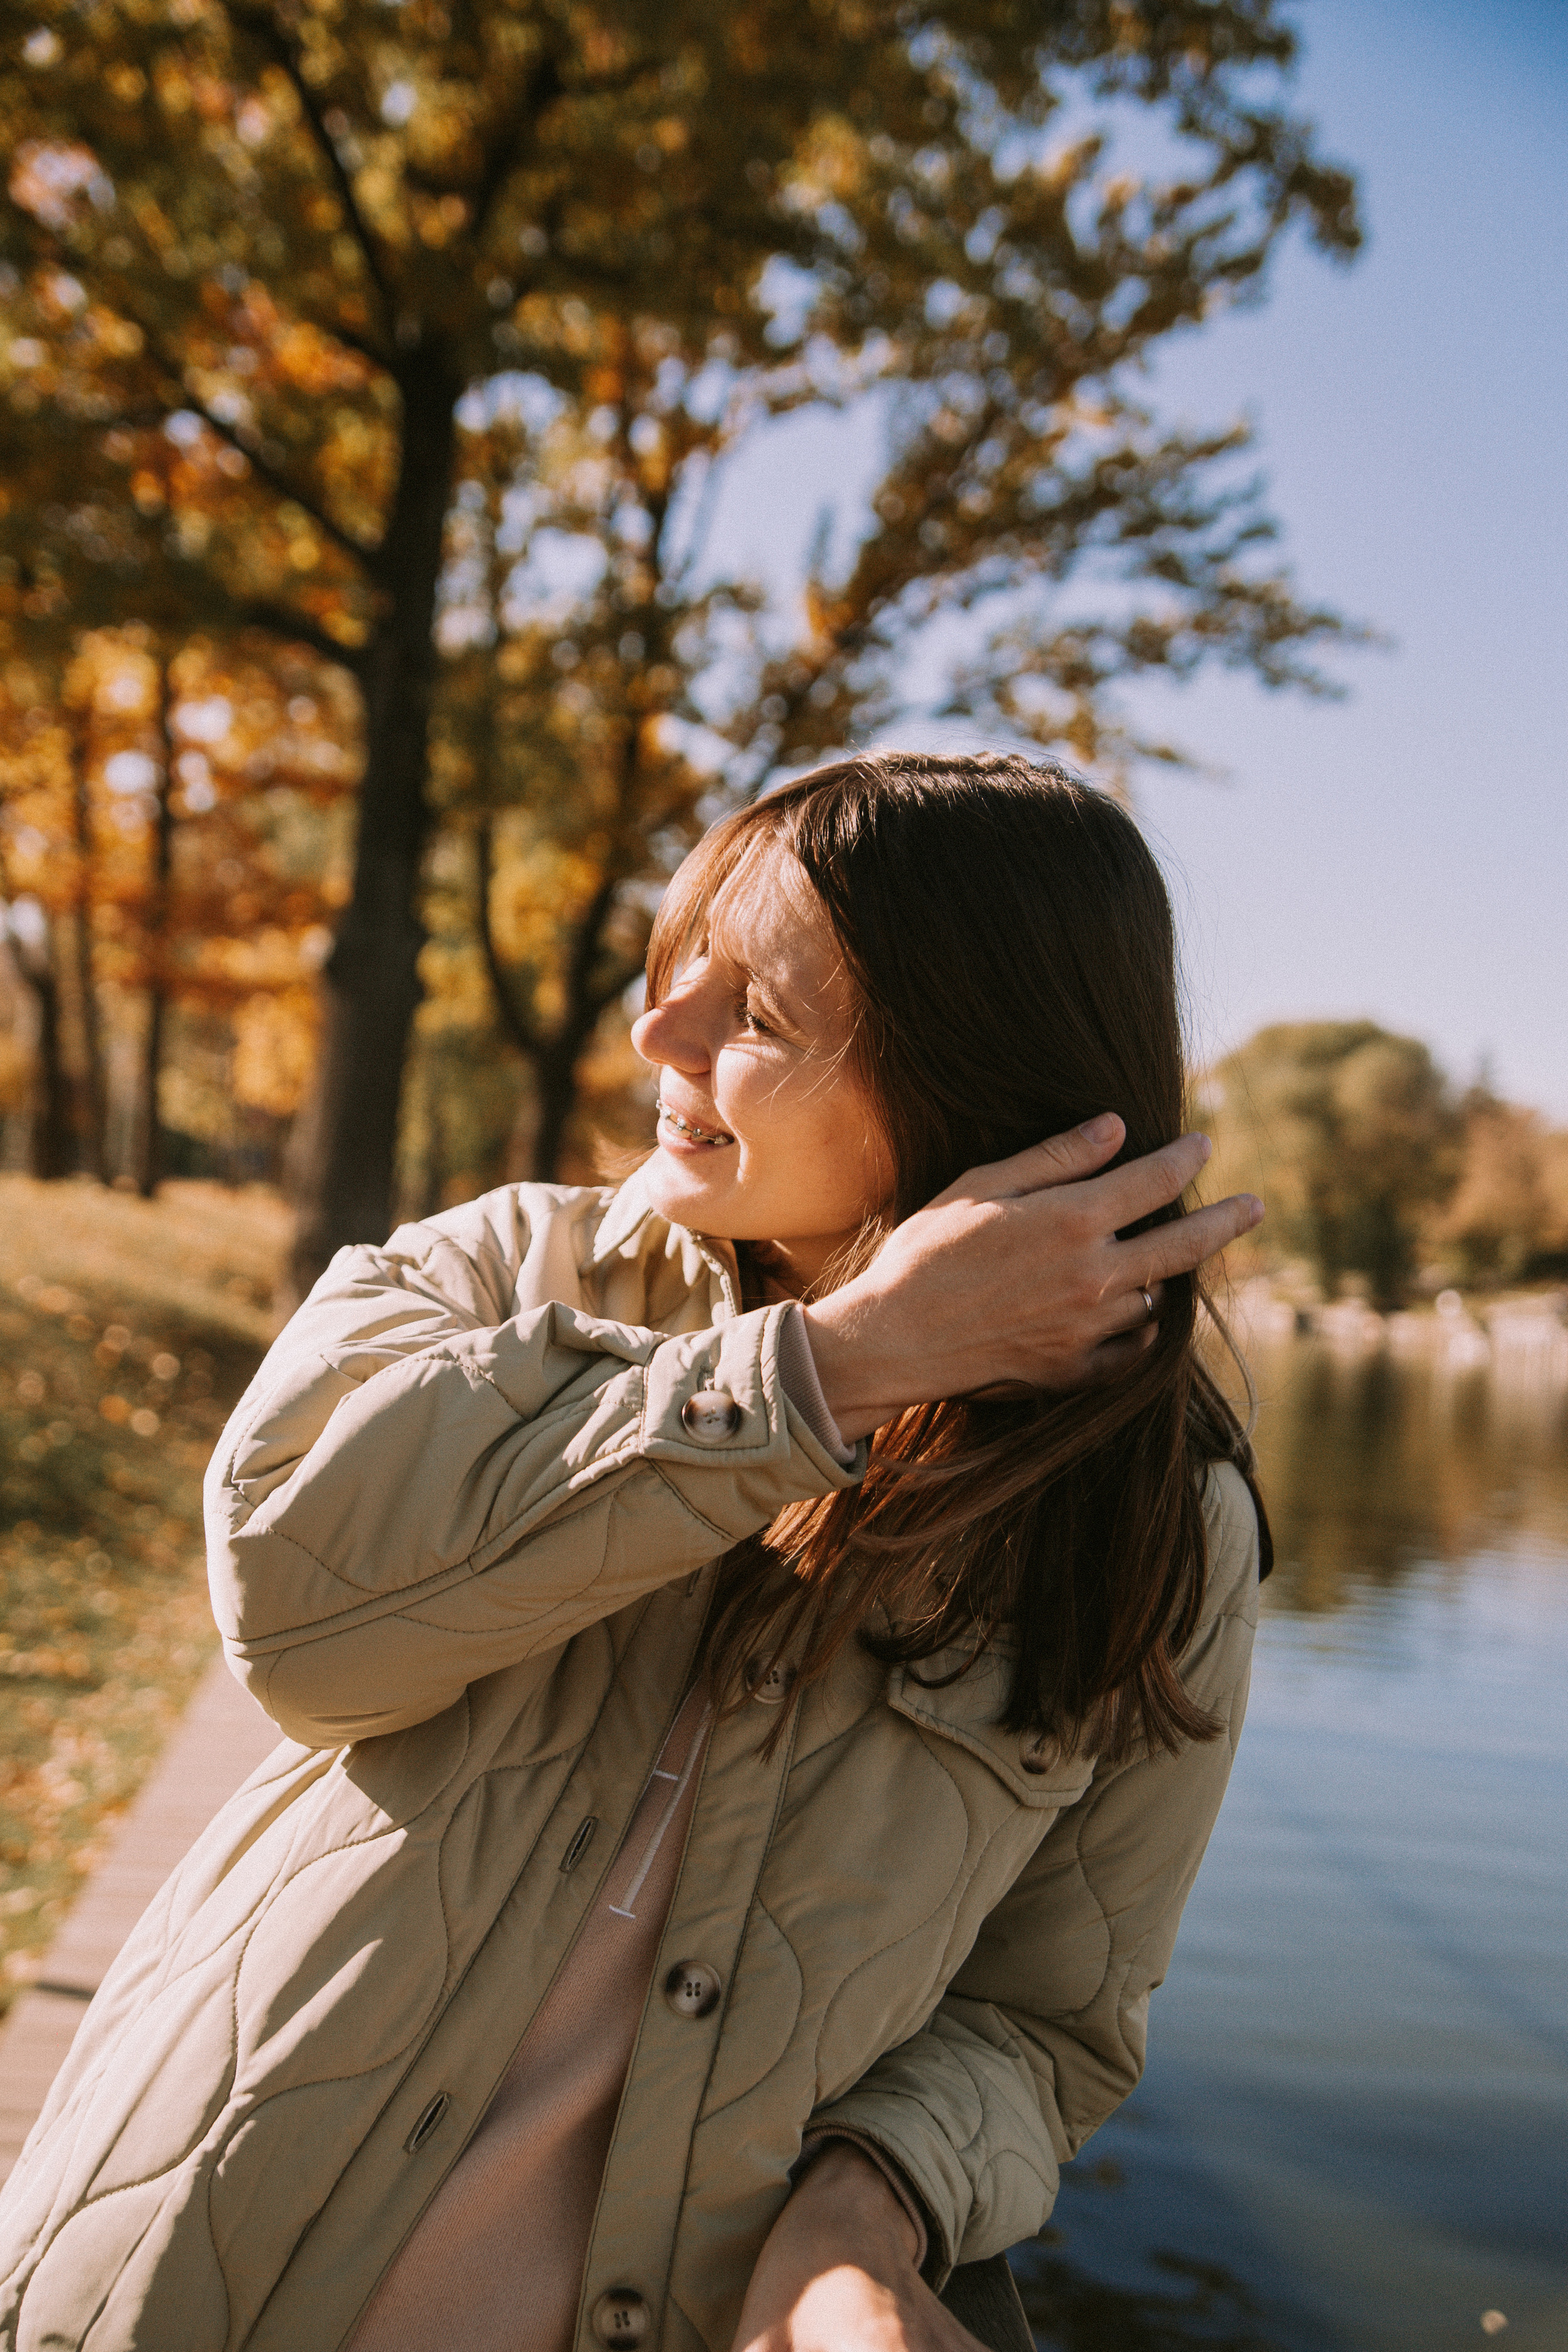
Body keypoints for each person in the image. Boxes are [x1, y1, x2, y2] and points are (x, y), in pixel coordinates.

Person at [0, 752, 1268, 2352]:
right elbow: (298, 1615)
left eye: (753, 1015)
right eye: (680, 974)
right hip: (182, 2287)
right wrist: (836, 1365)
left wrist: (864, 2208)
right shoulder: (500, 1268)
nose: (654, 1034)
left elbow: (1045, 2022)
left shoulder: (1165, 1536)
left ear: (967, 1075)